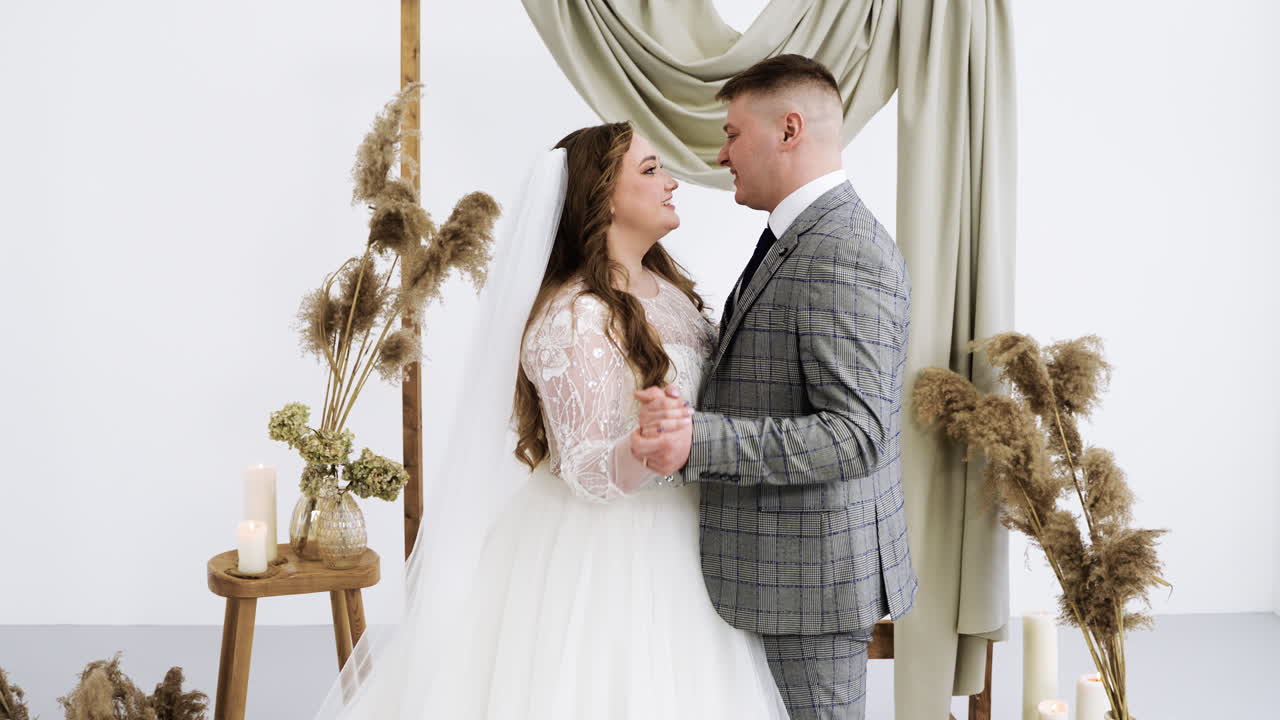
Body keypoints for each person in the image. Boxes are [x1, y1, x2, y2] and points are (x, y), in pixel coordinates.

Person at [311, 121, 788, 719]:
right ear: (602, 197)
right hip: (609, 555)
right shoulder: (574, 317)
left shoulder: (670, 292)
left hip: (695, 538)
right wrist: (644, 446)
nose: (672, 182)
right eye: (650, 170)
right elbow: (588, 471)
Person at [630, 54, 919, 720]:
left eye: (732, 133)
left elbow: (855, 436)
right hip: (777, 575)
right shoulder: (798, 238)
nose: (721, 153)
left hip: (810, 584)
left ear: (788, 130)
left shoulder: (843, 248)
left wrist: (697, 441)